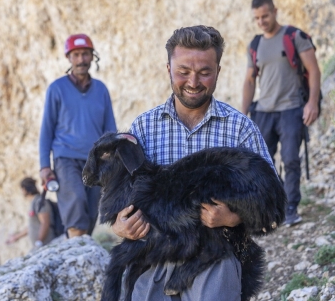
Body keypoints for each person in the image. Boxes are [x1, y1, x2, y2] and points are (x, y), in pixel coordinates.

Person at [112, 25, 278, 300]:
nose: (193, 82)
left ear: (218, 71)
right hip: (153, 261)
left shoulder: (240, 130)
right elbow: (121, 198)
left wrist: (234, 217)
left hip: (215, 260)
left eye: (204, 72)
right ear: (168, 69)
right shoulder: (142, 128)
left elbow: (272, 206)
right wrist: (120, 225)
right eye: (183, 72)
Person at [241, 0, 321, 227]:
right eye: (257, 18)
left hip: (291, 109)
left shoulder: (294, 36)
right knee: (263, 162)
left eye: (265, 15)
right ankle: (273, 207)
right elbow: (249, 81)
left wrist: (312, 103)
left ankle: (291, 208)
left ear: (275, 11)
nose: (261, 21)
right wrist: (242, 113)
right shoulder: (255, 45)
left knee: (290, 159)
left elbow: (314, 70)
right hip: (263, 111)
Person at [39, 33, 117, 238]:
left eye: (85, 54)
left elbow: (110, 129)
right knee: (75, 200)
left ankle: (81, 248)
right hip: (66, 157)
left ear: (92, 57)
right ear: (69, 58)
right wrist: (44, 166)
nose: (81, 59)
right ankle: (76, 248)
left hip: (95, 160)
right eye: (76, 55)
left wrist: (111, 159)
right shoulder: (56, 89)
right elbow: (46, 129)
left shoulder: (101, 90)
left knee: (92, 211)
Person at [6, 177, 56, 250]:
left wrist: (39, 241)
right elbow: (32, 226)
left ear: (25, 189)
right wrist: (16, 237)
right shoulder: (34, 202)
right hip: (42, 246)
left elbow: (45, 222)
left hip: (48, 244)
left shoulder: (39, 201)